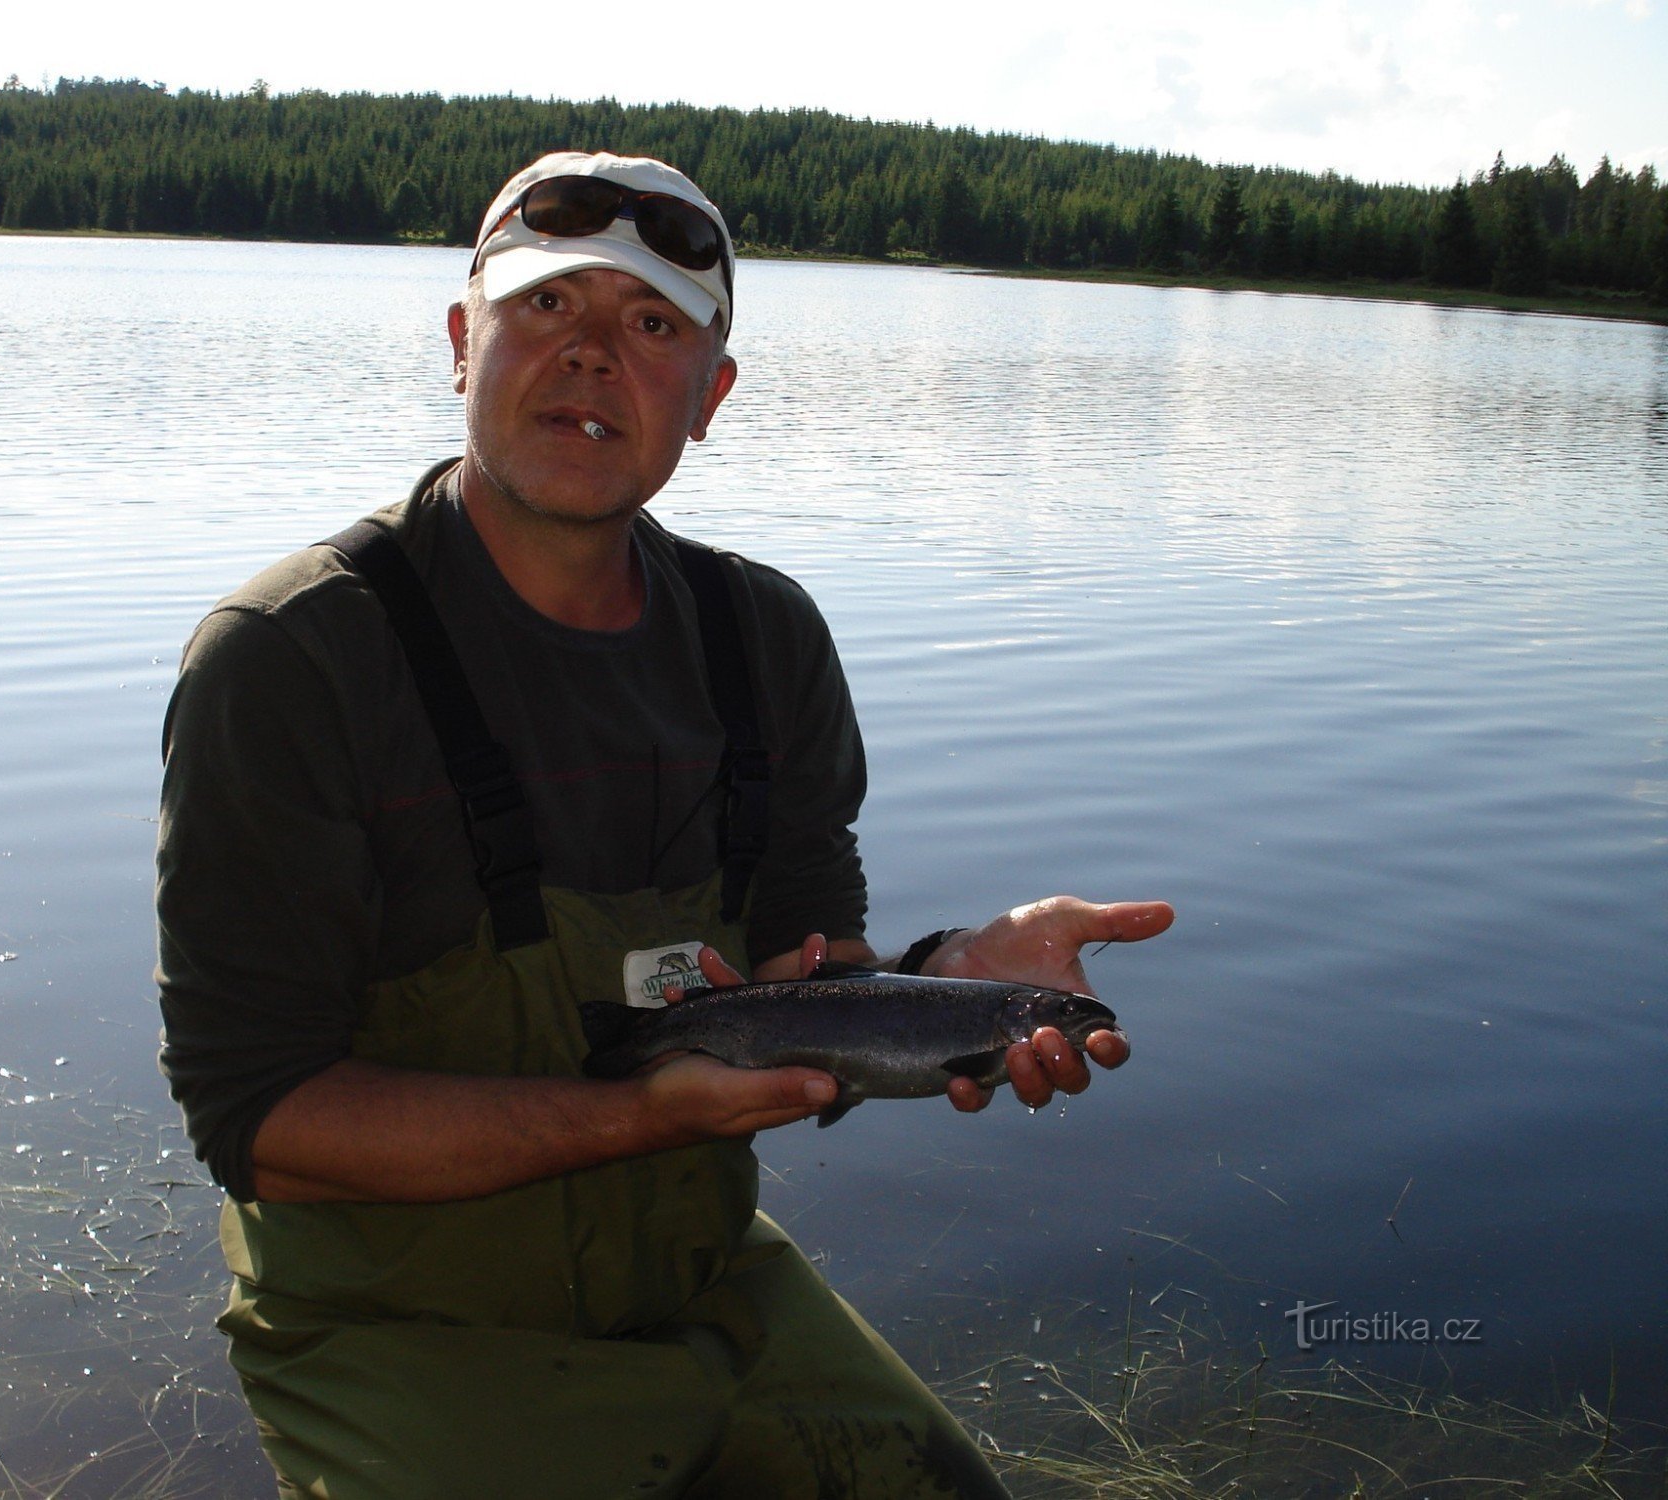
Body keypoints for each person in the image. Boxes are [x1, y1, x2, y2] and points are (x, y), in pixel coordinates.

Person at [155, 150, 1173, 1499]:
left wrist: (944, 982)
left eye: (649, 329)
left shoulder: (769, 642)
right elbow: (262, 1121)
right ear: (464, 343)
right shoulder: (290, 660)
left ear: (711, 398)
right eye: (546, 308)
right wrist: (638, 1114)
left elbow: (809, 975)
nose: (589, 358)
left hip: (697, 1284)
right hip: (399, 1327)